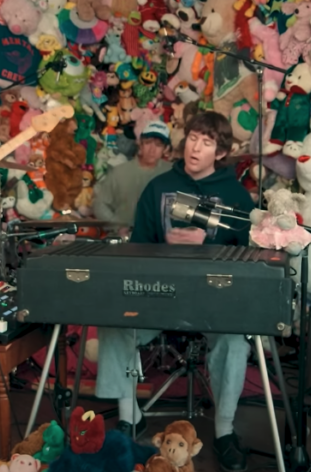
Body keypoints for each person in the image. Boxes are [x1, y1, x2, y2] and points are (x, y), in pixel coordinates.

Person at [95, 112, 255, 471]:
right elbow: (137, 248)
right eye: (194, 138)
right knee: (114, 322)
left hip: (215, 301)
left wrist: (207, 242)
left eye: (207, 142)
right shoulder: (158, 188)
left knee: (234, 341)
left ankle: (224, 431)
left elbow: (250, 257)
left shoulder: (237, 197)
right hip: (159, 295)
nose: (196, 147)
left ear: (221, 151)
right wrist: (161, 247)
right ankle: (129, 415)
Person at [93, 120, 172, 226]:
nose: (152, 150)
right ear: (140, 143)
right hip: (126, 238)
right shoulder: (120, 172)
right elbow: (100, 204)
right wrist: (117, 226)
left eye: (158, 145)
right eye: (148, 143)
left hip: (160, 239)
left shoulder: (172, 173)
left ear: (165, 148)